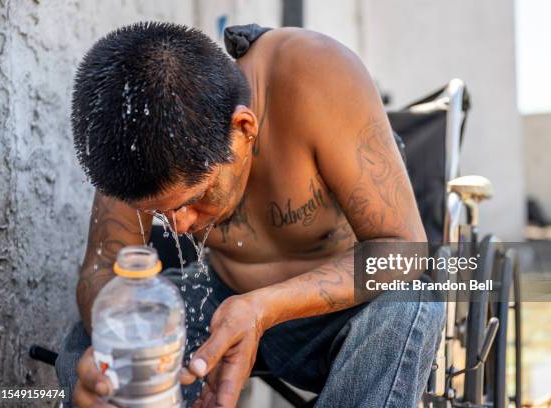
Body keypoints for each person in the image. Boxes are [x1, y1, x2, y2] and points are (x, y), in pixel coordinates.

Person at [57, 22, 444, 408]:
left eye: (195, 198)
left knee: (409, 306)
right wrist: (119, 351)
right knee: (88, 348)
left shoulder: (314, 76)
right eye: (162, 212)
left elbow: (404, 249)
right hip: (218, 300)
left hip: (334, 320)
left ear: (243, 129)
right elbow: (102, 266)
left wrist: (262, 308)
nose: (180, 224)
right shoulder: (136, 136)